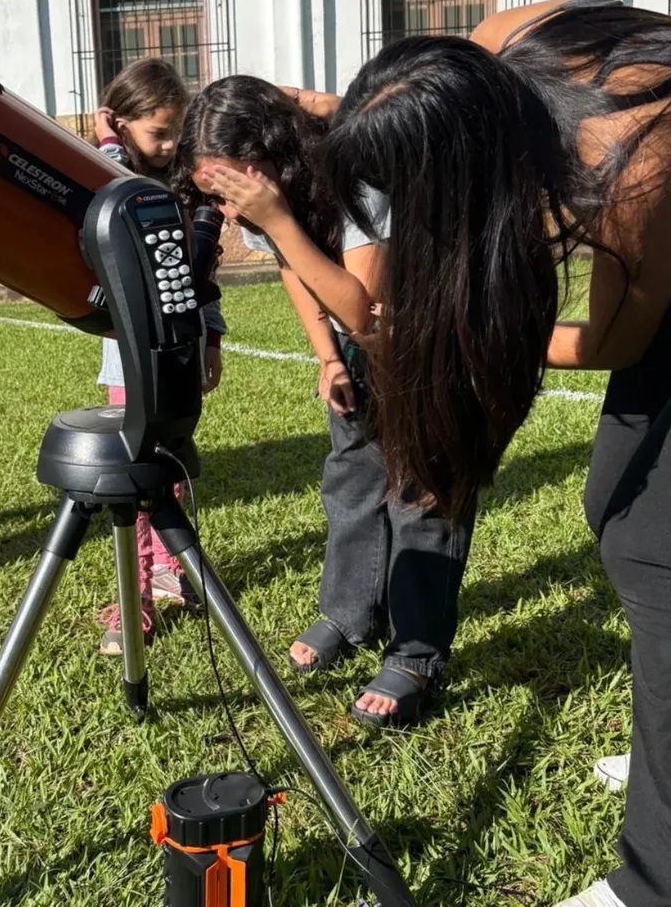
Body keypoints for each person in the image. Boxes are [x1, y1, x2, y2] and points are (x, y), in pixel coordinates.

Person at [201, 0, 671, 907]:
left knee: (658, 549)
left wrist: (462, 329)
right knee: (612, 506)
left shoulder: (633, 163)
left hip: (661, 287)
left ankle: (655, 881)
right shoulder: (497, 47)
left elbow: (615, 341)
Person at [178, 76, 475, 728]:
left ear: (263, 164)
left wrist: (276, 218)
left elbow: (359, 305)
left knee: (422, 492)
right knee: (352, 478)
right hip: (368, 345)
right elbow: (295, 269)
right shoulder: (264, 197)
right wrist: (328, 357)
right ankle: (350, 613)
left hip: (436, 336)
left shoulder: (360, 169)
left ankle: (417, 651)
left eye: (229, 195)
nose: (228, 217)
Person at [92, 57, 226, 655]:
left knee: (160, 473)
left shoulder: (188, 188)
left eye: (178, 132)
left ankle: (152, 585)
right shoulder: (110, 180)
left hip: (178, 350)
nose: (170, 145)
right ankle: (142, 590)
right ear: (121, 127)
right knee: (141, 475)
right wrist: (106, 142)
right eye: (157, 133)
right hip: (129, 358)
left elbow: (204, 277)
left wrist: (213, 337)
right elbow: (107, 183)